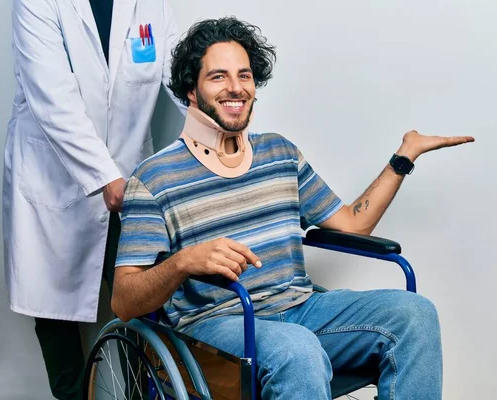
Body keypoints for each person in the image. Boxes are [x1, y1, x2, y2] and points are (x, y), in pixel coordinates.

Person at [111, 17, 475, 399]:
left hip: (301, 310)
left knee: (414, 314)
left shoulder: (279, 153)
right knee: (295, 350)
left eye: (245, 75)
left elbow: (351, 223)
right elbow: (123, 301)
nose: (236, 87)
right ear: (191, 89)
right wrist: (184, 261)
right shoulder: (154, 178)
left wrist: (405, 155)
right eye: (218, 76)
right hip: (215, 327)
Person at [2, 0, 185, 398]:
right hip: (54, 180)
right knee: (55, 314)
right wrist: (104, 176)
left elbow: (180, 72)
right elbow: (53, 99)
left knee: (143, 305)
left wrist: (219, 115)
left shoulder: (151, 4)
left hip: (130, 178)